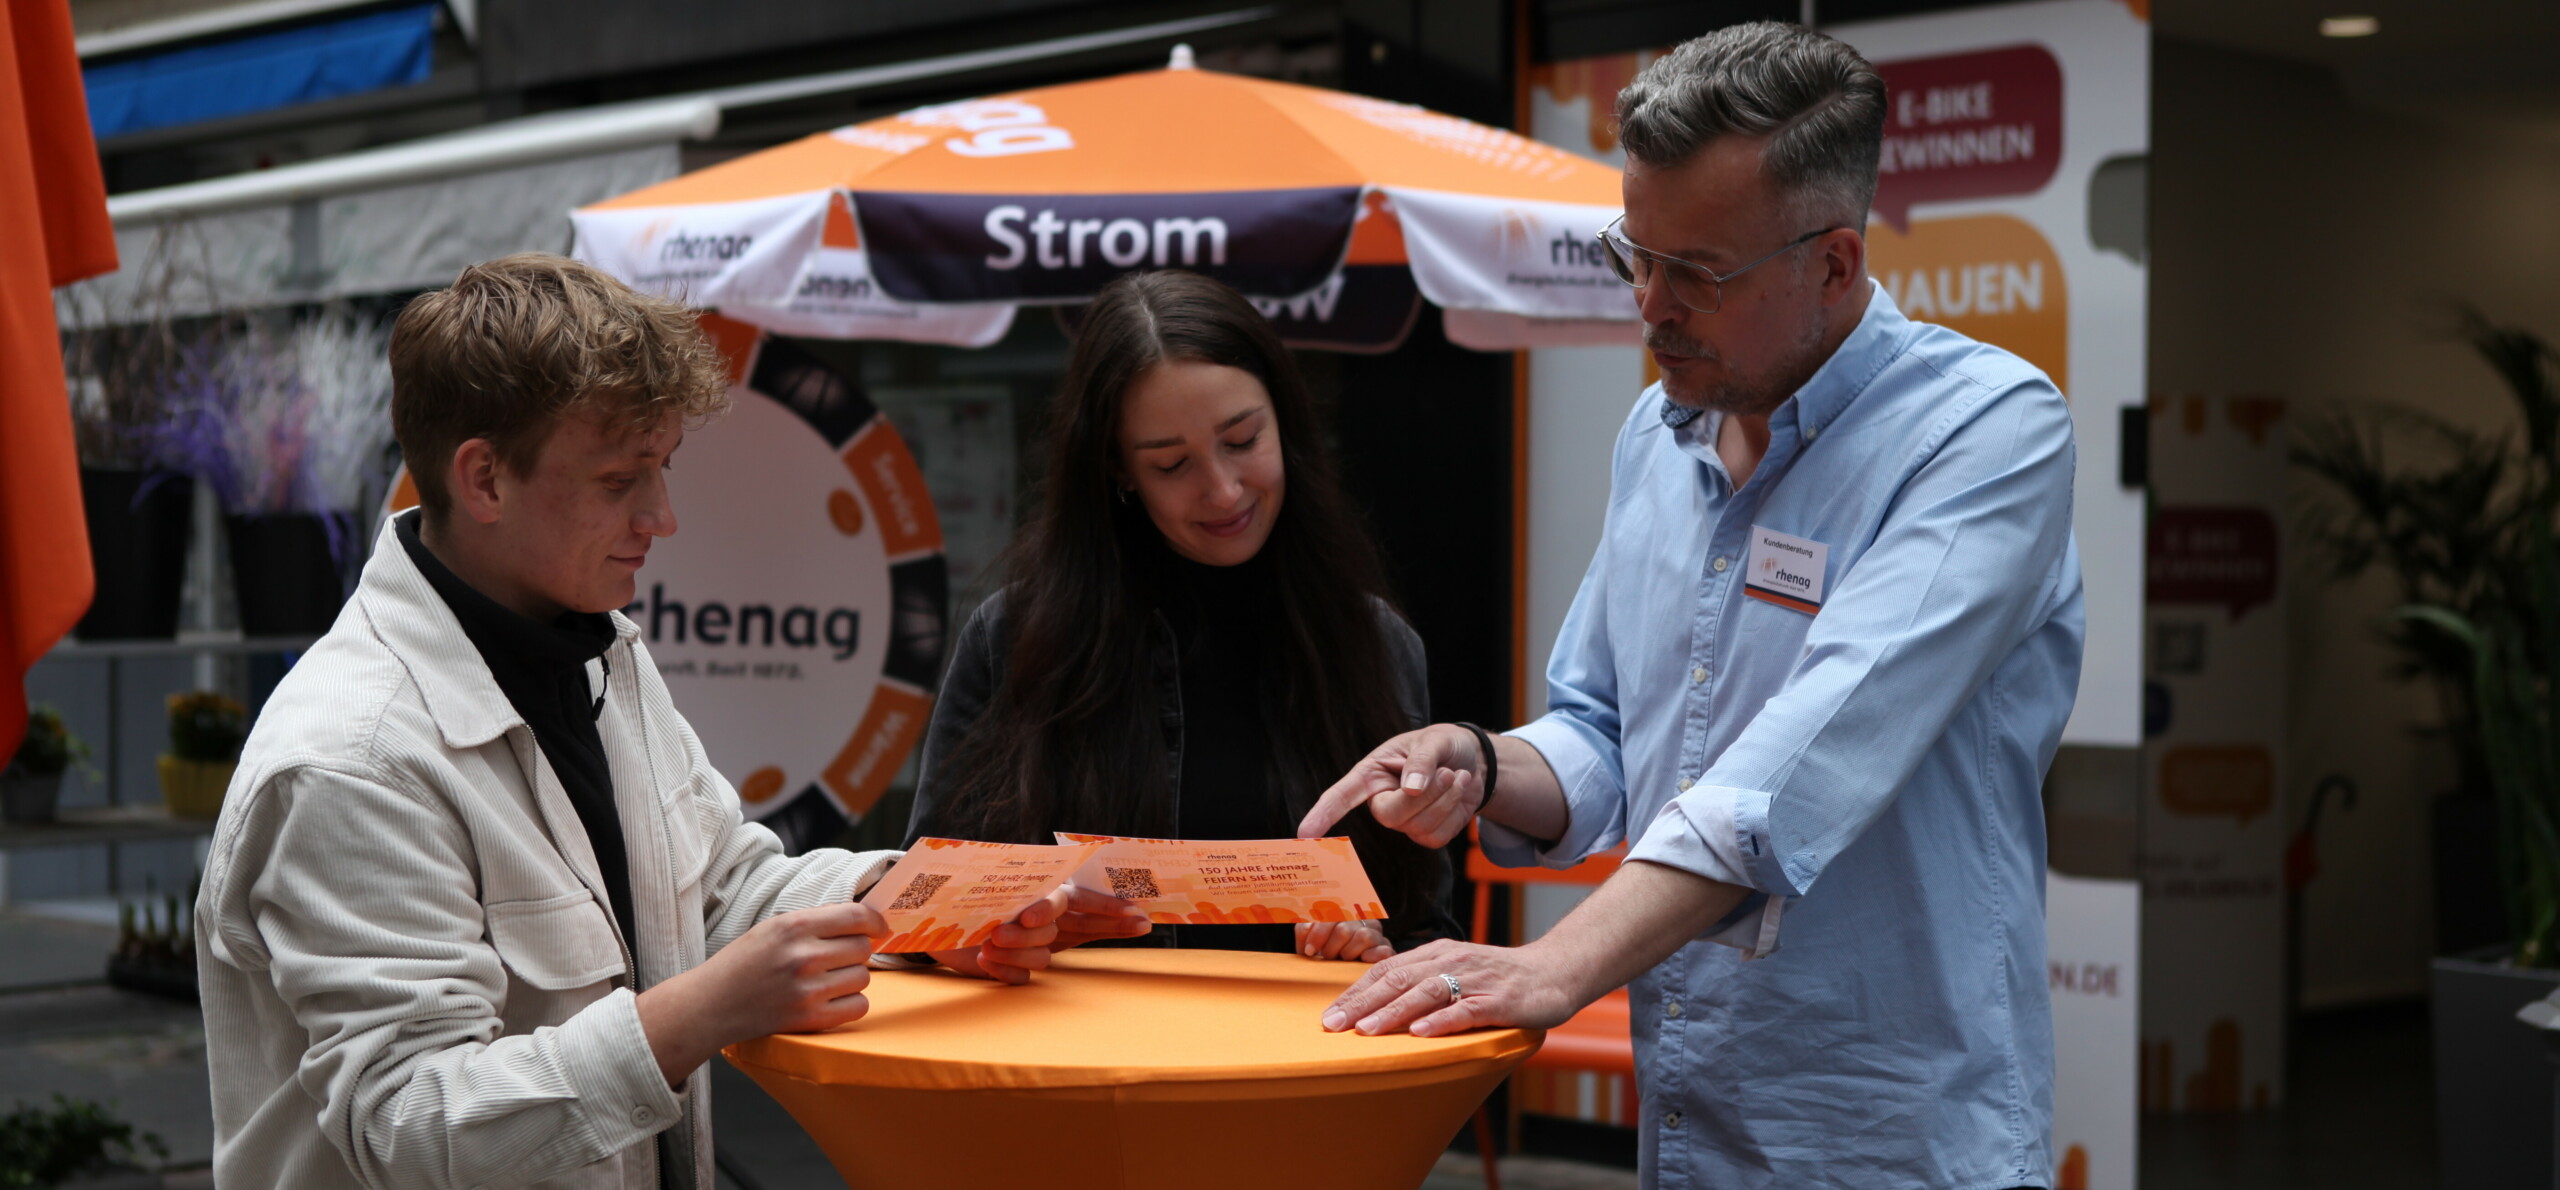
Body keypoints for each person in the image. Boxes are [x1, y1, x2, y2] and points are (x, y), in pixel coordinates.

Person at [1301, 23, 2083, 1190]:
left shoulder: (1983, 433)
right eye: (1637, 254)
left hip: (1891, 1130)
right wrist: (1481, 760)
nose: (1651, 305)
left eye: (1698, 274)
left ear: (1834, 263)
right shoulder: (1658, 433)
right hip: (1690, 1115)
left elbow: (1793, 773)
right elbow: (1605, 727)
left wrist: (1554, 964)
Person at [194, 253, 1070, 1190]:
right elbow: (410, 1127)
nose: (662, 516)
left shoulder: (597, 649)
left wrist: (936, 906)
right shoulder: (352, 758)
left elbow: (719, 889)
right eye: (620, 480)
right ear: (483, 480)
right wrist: (699, 1014)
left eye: (663, 468)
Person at [907, 268, 1461, 960]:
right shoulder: (1016, 637)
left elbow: (1427, 926)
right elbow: (919, 910)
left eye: (1243, 440)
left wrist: (1370, 945)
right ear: (1118, 470)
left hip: (1302, 1033)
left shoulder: (1373, 641)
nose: (1223, 490)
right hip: (1080, 1033)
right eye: (1172, 465)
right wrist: (1014, 926)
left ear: (1285, 421)